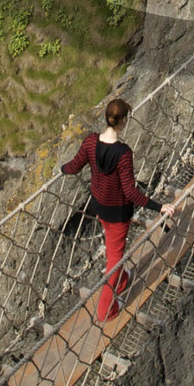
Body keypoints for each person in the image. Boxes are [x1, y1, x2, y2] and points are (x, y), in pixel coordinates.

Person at [62, 98, 162, 324]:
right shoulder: (123, 153)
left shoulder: (89, 143)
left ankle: (123, 281)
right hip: (118, 212)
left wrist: (62, 169)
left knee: (113, 246)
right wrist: (159, 206)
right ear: (123, 121)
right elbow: (130, 192)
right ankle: (106, 310)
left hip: (99, 206)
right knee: (115, 258)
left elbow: (74, 165)